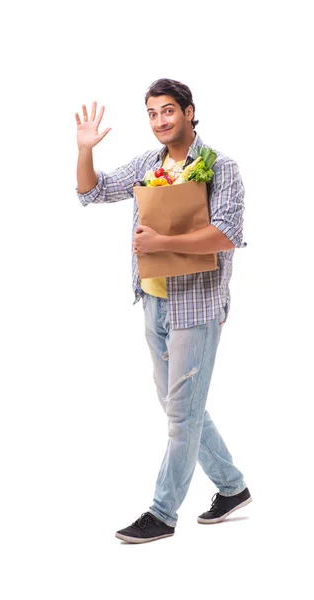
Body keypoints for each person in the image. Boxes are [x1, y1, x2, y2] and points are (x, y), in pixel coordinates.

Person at [75, 78, 251, 544]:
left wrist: (163, 242)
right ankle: (232, 488)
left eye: (168, 110)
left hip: (197, 303)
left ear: (190, 112)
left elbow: (227, 233)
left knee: (181, 416)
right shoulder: (148, 164)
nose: (160, 121)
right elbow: (92, 192)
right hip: (153, 299)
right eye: (152, 113)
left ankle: (162, 513)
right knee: (179, 407)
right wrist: (85, 151)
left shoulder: (221, 167)